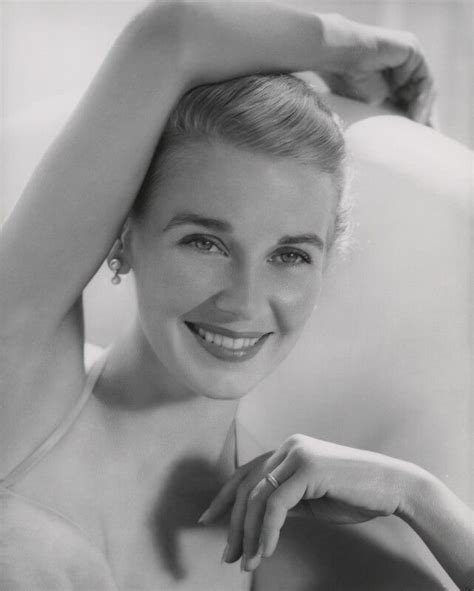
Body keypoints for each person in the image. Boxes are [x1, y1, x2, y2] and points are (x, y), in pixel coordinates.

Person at [0, 1, 472, 590]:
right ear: (123, 240)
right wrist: (364, 47)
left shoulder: (278, 544)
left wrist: (417, 495)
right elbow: (168, 37)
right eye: (205, 243)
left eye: (290, 256)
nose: (245, 301)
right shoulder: (18, 378)